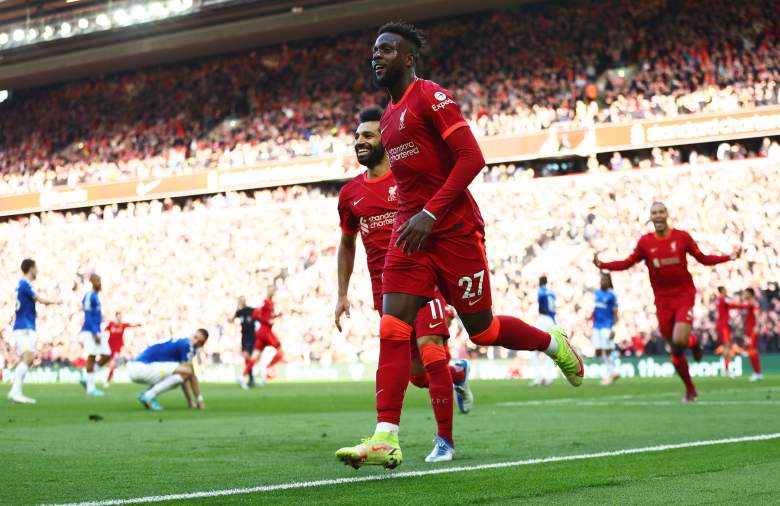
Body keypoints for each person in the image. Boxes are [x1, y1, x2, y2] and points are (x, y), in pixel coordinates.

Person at [336, 22, 583, 470]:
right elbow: (407, 184)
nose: (378, 56)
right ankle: (385, 436)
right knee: (393, 328)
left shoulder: (431, 96)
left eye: (388, 50)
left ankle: (553, 343)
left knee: (484, 330)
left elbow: (473, 158)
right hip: (410, 236)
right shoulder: (388, 119)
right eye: (375, 50)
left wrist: (430, 214)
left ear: (408, 58)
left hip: (452, 230)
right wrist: (412, 220)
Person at [335, 106, 472, 464]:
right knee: (418, 376)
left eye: (368, 135)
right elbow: (347, 243)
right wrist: (341, 293)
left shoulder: (410, 180)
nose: (360, 142)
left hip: (424, 278)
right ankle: (457, 373)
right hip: (387, 291)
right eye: (357, 137)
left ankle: (444, 441)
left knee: (431, 350)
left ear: (387, 139)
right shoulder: (351, 194)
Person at [594, 201, 740, 401]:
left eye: (662, 212)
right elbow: (627, 263)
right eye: (655, 213)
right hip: (662, 300)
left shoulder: (682, 237)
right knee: (675, 349)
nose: (659, 215)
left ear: (667, 214)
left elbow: (703, 258)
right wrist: (603, 264)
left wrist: (728, 257)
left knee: (680, 341)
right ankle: (690, 389)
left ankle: (693, 342)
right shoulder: (645, 242)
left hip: (683, 295)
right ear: (651, 217)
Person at [7, 259, 61, 404]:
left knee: (26, 359)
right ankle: (15, 392)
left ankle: (16, 392)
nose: (37, 271)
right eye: (36, 268)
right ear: (31, 268)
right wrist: (56, 301)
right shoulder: (25, 284)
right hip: (25, 327)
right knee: (29, 358)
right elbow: (40, 300)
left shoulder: (21, 285)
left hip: (24, 325)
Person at [128, 329, 208, 411]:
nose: (195, 342)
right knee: (185, 372)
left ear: (202, 344)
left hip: (137, 367)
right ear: (191, 334)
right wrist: (200, 400)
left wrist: (190, 402)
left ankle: (147, 394)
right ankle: (148, 395)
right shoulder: (187, 345)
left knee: (180, 376)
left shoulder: (181, 342)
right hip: (142, 367)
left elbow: (186, 377)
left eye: (199, 341)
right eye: (195, 337)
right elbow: (190, 373)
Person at [241, 289, 284, 385]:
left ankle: (242, 375)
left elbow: (267, 317)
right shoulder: (266, 303)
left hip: (262, 333)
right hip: (266, 332)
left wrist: (276, 316)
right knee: (280, 352)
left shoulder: (270, 304)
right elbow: (257, 315)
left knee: (255, 357)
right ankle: (268, 368)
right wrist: (267, 320)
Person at [80, 274, 110, 397]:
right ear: (92, 282)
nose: (99, 283)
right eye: (97, 280)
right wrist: (93, 332)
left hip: (98, 330)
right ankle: (90, 389)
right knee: (92, 356)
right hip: (90, 331)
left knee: (107, 355)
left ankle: (87, 378)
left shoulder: (96, 297)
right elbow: (87, 315)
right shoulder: (89, 296)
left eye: (100, 280)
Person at [529, 276, 557, 386]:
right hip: (552, 321)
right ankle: (548, 377)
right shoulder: (552, 293)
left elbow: (540, 303)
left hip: (543, 319)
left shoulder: (540, 291)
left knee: (533, 349)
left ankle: (538, 378)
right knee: (549, 349)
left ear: (540, 282)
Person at [592, 272, 619, 385]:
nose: (602, 282)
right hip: (596, 326)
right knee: (598, 351)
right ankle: (611, 371)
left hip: (606, 326)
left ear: (609, 282)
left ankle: (611, 373)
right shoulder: (596, 293)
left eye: (605, 280)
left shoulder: (612, 295)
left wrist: (613, 328)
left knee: (606, 351)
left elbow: (615, 313)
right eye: (601, 279)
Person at [730, 288, 762, 381]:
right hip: (748, 330)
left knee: (752, 350)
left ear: (750, 294)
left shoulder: (753, 303)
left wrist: (757, 326)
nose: (744, 295)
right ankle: (757, 372)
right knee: (751, 350)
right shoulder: (747, 304)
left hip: (752, 330)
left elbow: (757, 315)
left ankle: (757, 373)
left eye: (745, 293)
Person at [104, 312, 141, 387]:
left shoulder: (123, 325)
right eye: (118, 317)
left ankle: (107, 381)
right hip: (108, 347)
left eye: (121, 317)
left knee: (113, 364)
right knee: (106, 362)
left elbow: (132, 325)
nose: (120, 318)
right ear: (116, 317)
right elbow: (104, 330)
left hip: (117, 349)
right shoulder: (111, 324)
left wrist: (139, 324)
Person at [233, 296, 257, 388]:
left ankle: (245, 376)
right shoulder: (239, 312)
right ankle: (251, 378)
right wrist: (237, 308)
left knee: (247, 356)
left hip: (252, 337)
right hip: (244, 337)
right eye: (239, 301)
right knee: (247, 358)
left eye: (242, 300)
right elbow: (232, 319)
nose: (241, 302)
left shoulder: (251, 310)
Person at [714, 286, 735, 376]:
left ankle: (726, 369)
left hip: (722, 326)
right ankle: (726, 369)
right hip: (724, 327)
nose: (726, 292)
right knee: (727, 347)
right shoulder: (723, 300)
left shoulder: (719, 300)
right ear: (722, 291)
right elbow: (733, 305)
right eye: (725, 290)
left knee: (727, 347)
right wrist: (747, 306)